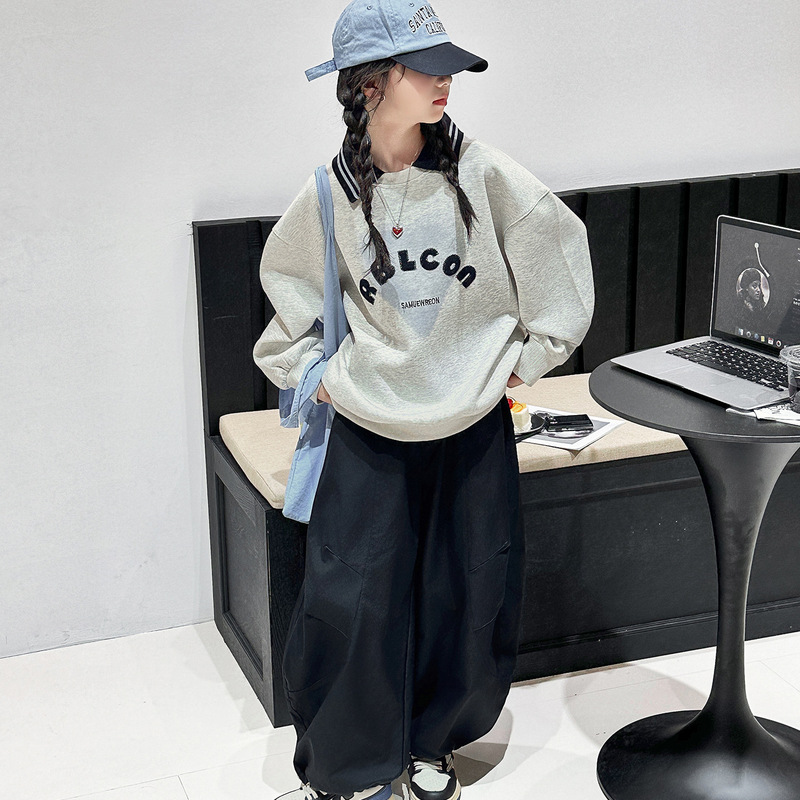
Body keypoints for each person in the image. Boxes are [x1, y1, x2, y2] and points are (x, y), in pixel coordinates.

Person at [252, 2, 595, 799]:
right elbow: (288, 308)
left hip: (471, 429)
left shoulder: (487, 175)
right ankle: (351, 766)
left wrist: (521, 363)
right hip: (368, 429)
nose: (447, 82)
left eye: (449, 67)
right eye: (427, 68)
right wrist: (319, 375)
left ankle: (433, 742)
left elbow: (561, 264)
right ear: (370, 84)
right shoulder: (329, 194)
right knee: (353, 600)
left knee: (465, 590)